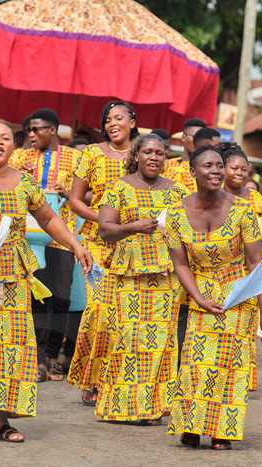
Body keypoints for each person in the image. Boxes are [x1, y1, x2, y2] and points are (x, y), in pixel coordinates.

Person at [0, 122, 92, 442]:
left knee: (13, 348)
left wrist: (76, 245)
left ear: (14, 146)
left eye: (5, 138)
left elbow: (50, 219)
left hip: (14, 278)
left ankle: (2, 422)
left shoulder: (25, 181)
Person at [165, 145, 262, 450]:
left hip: (238, 295)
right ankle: (191, 424)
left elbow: (255, 264)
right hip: (200, 294)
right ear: (193, 172)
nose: (216, 171)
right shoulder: (175, 213)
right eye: (208, 166)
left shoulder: (242, 209)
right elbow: (181, 263)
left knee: (228, 366)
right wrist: (198, 298)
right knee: (195, 364)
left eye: (219, 166)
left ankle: (222, 430)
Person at [96, 133, 189, 423]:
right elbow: (104, 230)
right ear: (136, 155)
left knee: (162, 342)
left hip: (167, 274)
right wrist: (133, 227)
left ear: (165, 158)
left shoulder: (179, 191)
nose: (153, 157)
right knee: (129, 339)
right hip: (129, 274)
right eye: (147, 152)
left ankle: (153, 408)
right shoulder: (118, 188)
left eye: (159, 153)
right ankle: (120, 405)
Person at [67, 100, 137, 405]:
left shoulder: (143, 152)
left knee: (126, 316)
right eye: (107, 120)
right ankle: (92, 378)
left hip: (136, 245)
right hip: (96, 243)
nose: (112, 124)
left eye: (119, 118)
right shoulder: (92, 154)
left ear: (132, 121)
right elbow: (75, 200)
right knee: (100, 310)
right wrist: (104, 219)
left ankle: (118, 379)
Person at [9, 108, 82, 382]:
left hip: (62, 237)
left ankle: (53, 357)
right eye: (28, 130)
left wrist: (70, 194)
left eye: (35, 129)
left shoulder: (76, 157)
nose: (30, 135)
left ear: (52, 130)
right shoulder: (18, 157)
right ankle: (37, 360)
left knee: (61, 299)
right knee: (36, 300)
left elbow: (88, 192)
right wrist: (19, 174)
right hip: (29, 237)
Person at [218, 143, 262, 218]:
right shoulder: (214, 196)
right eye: (234, 168)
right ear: (223, 168)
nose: (239, 173)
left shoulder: (255, 197)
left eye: (244, 169)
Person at [165, 118, 207, 192]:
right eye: (195, 137)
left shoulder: (208, 169)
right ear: (183, 137)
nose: (198, 141)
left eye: (202, 138)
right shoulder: (167, 165)